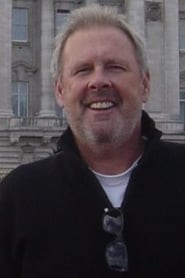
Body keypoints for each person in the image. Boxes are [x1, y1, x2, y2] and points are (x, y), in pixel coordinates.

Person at [1, 4, 185, 277]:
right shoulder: (15, 196)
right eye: (83, 70)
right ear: (60, 90)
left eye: (115, 66)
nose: (98, 81)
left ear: (146, 84)